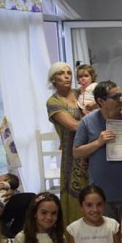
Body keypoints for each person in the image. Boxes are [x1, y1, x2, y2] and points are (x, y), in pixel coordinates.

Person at [73, 81, 122, 220]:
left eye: (121, 95)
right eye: (115, 97)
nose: (120, 100)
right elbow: (76, 152)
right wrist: (98, 142)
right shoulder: (87, 121)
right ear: (101, 101)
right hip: (101, 194)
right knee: (107, 237)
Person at [46, 62, 89, 224]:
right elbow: (72, 125)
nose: (66, 76)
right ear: (53, 79)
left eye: (69, 73)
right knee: (75, 192)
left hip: (93, 149)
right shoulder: (53, 102)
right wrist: (94, 124)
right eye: (61, 73)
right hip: (72, 154)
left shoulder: (81, 94)